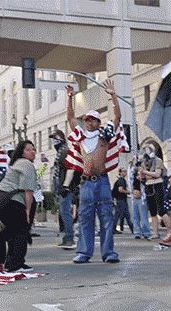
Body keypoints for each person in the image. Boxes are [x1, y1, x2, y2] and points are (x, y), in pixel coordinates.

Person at [65, 79, 122, 264]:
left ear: (98, 122)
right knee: (85, 218)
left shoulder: (105, 135)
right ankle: (84, 252)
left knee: (107, 217)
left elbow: (117, 118)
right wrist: (69, 97)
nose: (89, 122)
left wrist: (113, 96)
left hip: (103, 180)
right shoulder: (80, 136)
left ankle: (109, 253)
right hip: (87, 182)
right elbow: (70, 118)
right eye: (87, 119)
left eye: (93, 119)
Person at [0, 140, 37, 272]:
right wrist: (28, 212)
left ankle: (2, 263)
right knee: (20, 230)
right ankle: (14, 264)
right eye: (29, 149)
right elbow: (27, 191)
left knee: (5, 231)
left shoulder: (16, 164)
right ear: (22, 152)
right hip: (13, 203)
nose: (33, 152)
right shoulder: (26, 164)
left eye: (34, 149)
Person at [50, 129, 80, 248]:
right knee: (64, 213)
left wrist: (65, 186)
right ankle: (67, 237)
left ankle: (69, 238)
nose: (54, 141)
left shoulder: (64, 152)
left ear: (61, 138)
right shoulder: (61, 152)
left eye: (56, 138)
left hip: (65, 188)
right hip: (63, 188)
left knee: (65, 213)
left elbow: (70, 169)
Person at [140, 145, 169, 240]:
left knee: (161, 210)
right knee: (152, 212)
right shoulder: (144, 162)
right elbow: (144, 177)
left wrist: (145, 172)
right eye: (145, 150)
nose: (146, 151)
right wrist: (141, 176)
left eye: (148, 149)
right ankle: (155, 233)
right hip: (148, 186)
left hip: (157, 185)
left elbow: (157, 174)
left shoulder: (158, 160)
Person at [131, 161, 151, 240]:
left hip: (142, 196)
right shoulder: (133, 175)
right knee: (135, 216)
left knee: (143, 216)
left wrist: (142, 175)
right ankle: (137, 232)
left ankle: (146, 232)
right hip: (135, 195)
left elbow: (145, 181)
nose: (137, 168)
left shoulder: (145, 174)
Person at [112, 169, 134, 235]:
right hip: (121, 200)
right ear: (120, 173)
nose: (125, 173)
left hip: (120, 200)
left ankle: (115, 228)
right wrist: (128, 192)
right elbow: (120, 190)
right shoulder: (121, 181)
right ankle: (133, 229)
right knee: (124, 215)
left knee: (121, 215)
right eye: (124, 172)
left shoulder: (120, 180)